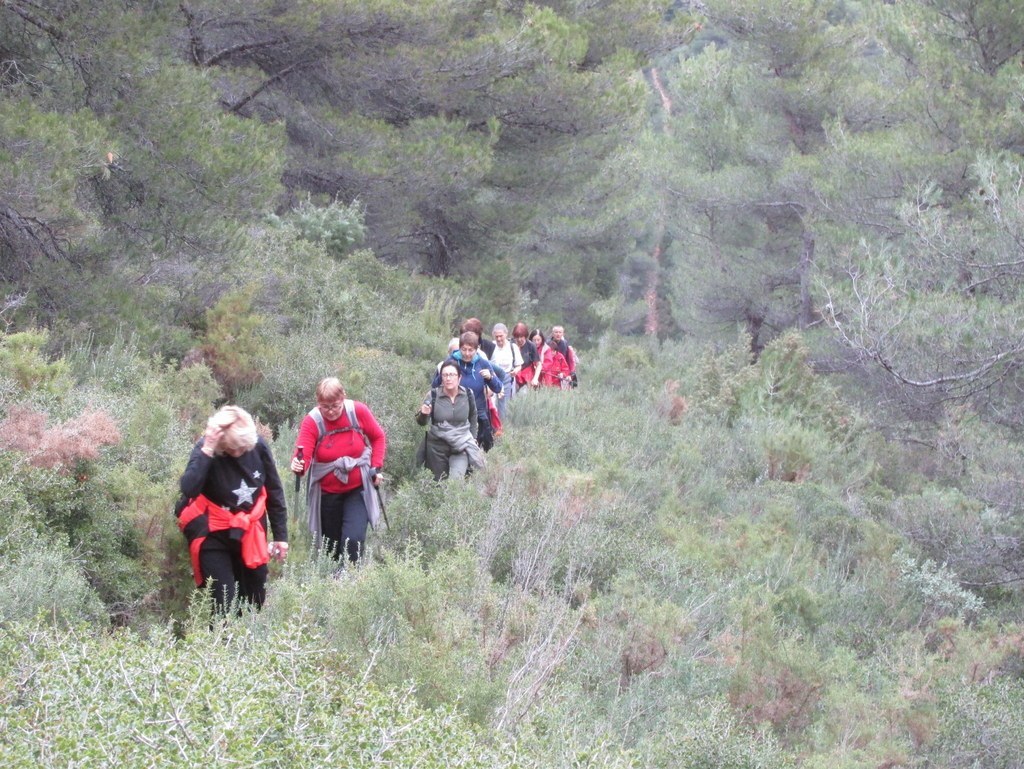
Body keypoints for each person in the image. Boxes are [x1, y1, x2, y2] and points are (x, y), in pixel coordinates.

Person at [177, 405, 288, 613]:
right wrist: (208, 448)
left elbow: (274, 491)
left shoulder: (258, 446)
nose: (238, 453)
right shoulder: (207, 448)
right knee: (224, 602)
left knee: (255, 601)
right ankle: (220, 643)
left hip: (252, 532)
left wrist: (281, 536)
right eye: (232, 449)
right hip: (214, 535)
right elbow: (188, 488)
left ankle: (248, 644)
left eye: (242, 448)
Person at [291, 377, 386, 563]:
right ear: (318, 403)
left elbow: (378, 437)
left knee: (353, 540)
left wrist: (376, 466)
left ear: (343, 397)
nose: (331, 411)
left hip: (357, 490)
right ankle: (333, 584)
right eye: (325, 407)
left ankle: (350, 582)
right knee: (331, 549)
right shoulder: (312, 421)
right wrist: (298, 466)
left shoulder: (357, 411)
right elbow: (304, 456)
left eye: (335, 405)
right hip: (327, 495)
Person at [432, 331, 503, 451]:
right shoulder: (451, 361)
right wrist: (444, 375)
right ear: (459, 348)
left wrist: (490, 378)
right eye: (464, 349)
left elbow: (498, 388)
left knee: (478, 452)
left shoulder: (483, 363)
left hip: (478, 415)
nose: (467, 353)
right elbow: (435, 386)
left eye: (471, 350)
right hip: (454, 416)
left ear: (477, 349)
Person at [416, 359, 485, 480]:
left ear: (459, 377)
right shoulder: (433, 395)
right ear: (441, 377)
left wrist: (473, 437)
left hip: (461, 444)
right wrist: (424, 414)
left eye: (452, 375)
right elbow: (421, 423)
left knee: (455, 484)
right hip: (437, 447)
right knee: (438, 485)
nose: (448, 378)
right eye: (445, 375)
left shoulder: (468, 394)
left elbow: (473, 416)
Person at [490, 322, 522, 421]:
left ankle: (502, 428)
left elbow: (519, 365)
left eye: (501, 336)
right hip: (491, 378)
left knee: (504, 406)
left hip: (506, 378)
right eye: (496, 336)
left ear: (506, 334)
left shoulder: (513, 347)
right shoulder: (491, 346)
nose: (499, 339)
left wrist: (515, 371)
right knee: (491, 403)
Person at [512, 321, 541, 389]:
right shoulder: (510, 344)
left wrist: (535, 378)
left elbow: (538, 364)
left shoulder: (531, 346)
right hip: (513, 378)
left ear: (525, 336)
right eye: (517, 337)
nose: (519, 339)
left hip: (526, 379)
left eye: (521, 337)